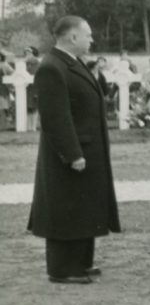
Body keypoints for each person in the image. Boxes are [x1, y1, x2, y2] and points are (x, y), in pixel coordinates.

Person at [27, 16, 121, 284]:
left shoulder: (73, 63)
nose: (92, 39)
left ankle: (81, 262)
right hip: (70, 152)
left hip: (88, 145)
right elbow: (56, 117)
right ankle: (62, 269)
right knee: (65, 207)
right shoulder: (52, 67)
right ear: (72, 37)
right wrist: (72, 153)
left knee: (83, 206)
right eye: (88, 35)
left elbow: (91, 98)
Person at [24, 47, 40, 131]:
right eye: (26, 53)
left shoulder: (37, 63)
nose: (27, 55)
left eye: (29, 53)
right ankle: (27, 126)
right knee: (27, 107)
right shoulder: (24, 64)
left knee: (34, 107)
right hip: (26, 88)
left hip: (34, 88)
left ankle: (33, 126)